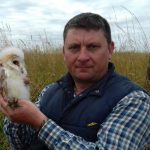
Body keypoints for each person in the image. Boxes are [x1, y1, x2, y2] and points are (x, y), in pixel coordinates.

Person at [0, 12, 150, 150]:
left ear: (110, 50)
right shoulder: (50, 91)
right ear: (64, 53)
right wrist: (16, 113)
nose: (83, 57)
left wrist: (41, 123)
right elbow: (20, 144)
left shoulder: (134, 100)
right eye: (74, 48)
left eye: (92, 47)